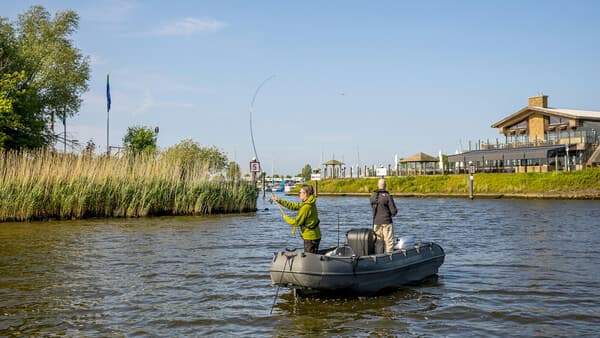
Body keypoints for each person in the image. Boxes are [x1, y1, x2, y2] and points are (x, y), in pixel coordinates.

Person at [271, 184, 321, 254]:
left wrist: (286, 218)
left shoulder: (306, 207)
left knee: (310, 258)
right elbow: (293, 206)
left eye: (300, 192)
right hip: (315, 235)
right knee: (312, 256)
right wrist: (279, 200)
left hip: (310, 237)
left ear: (306, 193)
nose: (299, 194)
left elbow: (297, 222)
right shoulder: (309, 202)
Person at [370, 178, 398, 254]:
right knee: (388, 242)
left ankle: (378, 257)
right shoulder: (388, 196)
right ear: (385, 186)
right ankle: (389, 257)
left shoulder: (372, 196)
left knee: (378, 242)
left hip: (376, 222)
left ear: (378, 185)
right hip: (386, 222)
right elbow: (394, 211)